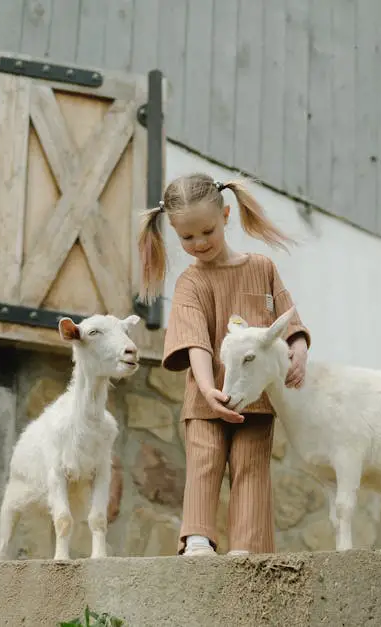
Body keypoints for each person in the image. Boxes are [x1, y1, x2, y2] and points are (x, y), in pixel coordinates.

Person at [137, 172, 311, 556]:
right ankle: (198, 538)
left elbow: (289, 316)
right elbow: (195, 340)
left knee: (252, 467)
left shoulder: (262, 267)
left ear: (227, 215)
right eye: (187, 237)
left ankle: (247, 548)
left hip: (256, 399)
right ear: (174, 233)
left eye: (207, 232)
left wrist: (298, 347)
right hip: (207, 398)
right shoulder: (190, 283)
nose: (198, 244)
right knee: (205, 458)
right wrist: (206, 389)